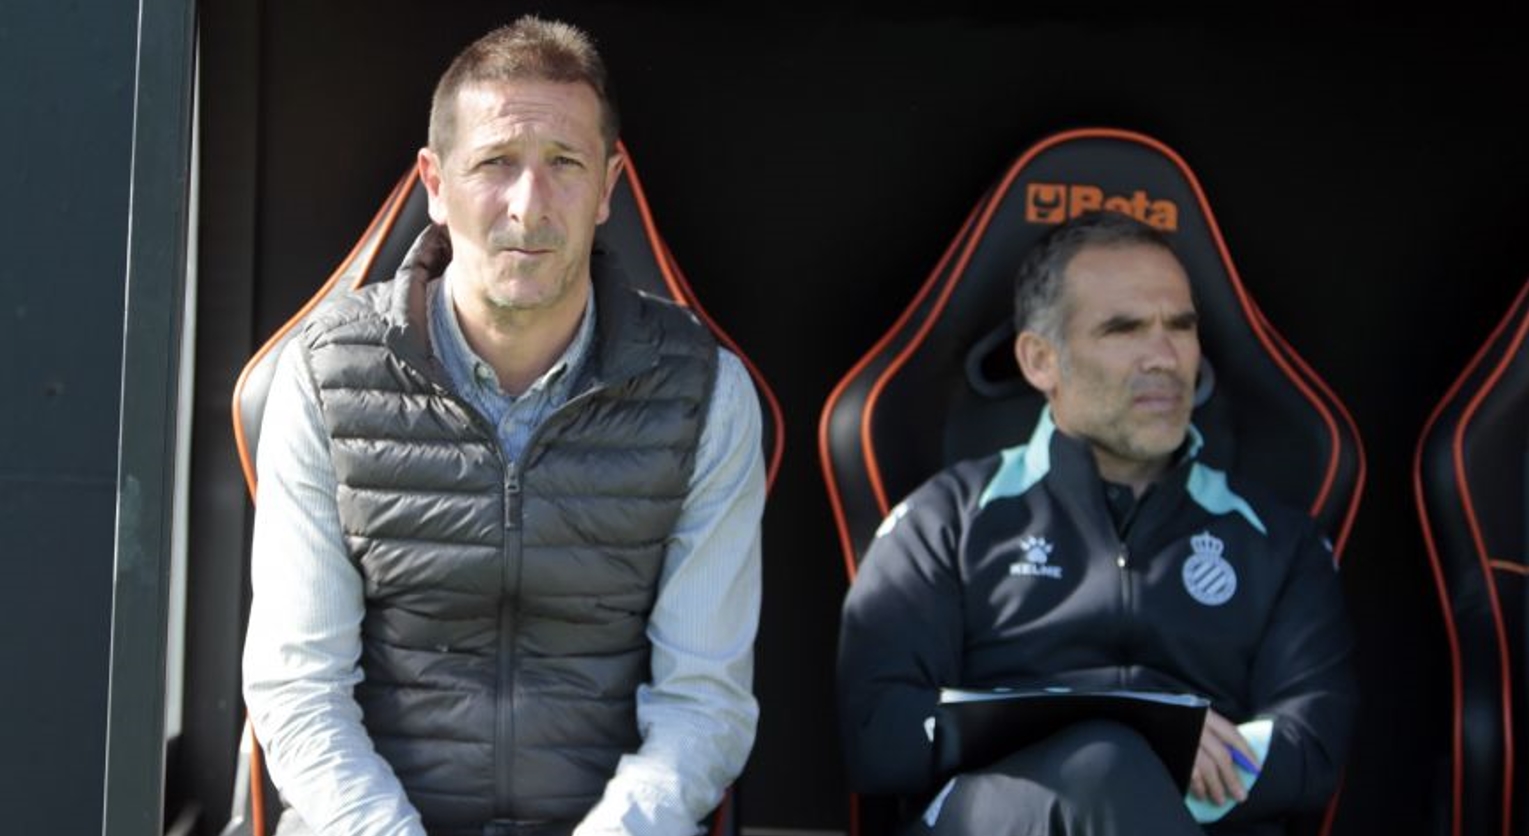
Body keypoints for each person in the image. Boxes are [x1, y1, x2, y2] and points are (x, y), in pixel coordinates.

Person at [242, 16, 765, 836]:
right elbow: (299, 692)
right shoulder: (322, 376)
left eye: (565, 164)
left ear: (607, 187)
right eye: (495, 163)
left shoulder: (705, 391)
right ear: (435, 183)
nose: (529, 205)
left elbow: (705, 705)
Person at [836, 210, 1356, 835]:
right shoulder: (945, 519)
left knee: (1117, 772)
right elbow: (879, 733)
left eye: (1181, 326)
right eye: (1123, 329)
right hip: (1000, 817)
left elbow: (1312, 747)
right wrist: (1141, 732)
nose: (1165, 356)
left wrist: (1145, 773)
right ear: (1039, 360)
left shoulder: (1279, 541)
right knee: (1103, 766)